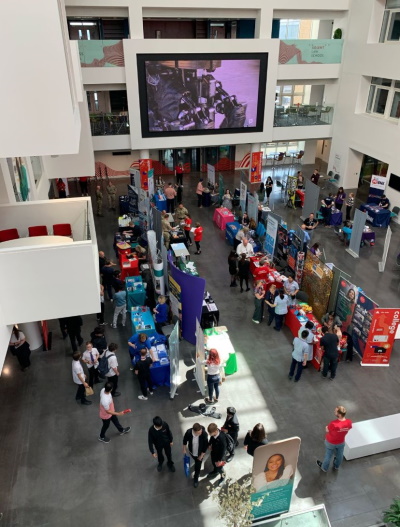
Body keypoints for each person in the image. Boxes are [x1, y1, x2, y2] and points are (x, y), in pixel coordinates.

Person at [316, 406, 353, 472]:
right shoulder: (349, 422)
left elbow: (327, 430)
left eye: (335, 411)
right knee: (340, 455)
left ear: (339, 414)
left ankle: (324, 468)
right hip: (341, 442)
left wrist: (327, 427)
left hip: (331, 442)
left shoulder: (334, 424)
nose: (334, 412)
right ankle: (336, 466)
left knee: (328, 455)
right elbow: (349, 428)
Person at [183, 423, 209, 488]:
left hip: (199, 454)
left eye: (201, 431)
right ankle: (196, 462)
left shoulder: (204, 434)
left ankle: (196, 478)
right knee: (195, 461)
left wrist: (201, 456)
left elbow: (205, 445)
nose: (200, 433)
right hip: (192, 452)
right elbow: (185, 440)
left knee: (198, 466)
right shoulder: (189, 432)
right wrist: (184, 448)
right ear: (194, 431)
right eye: (199, 432)